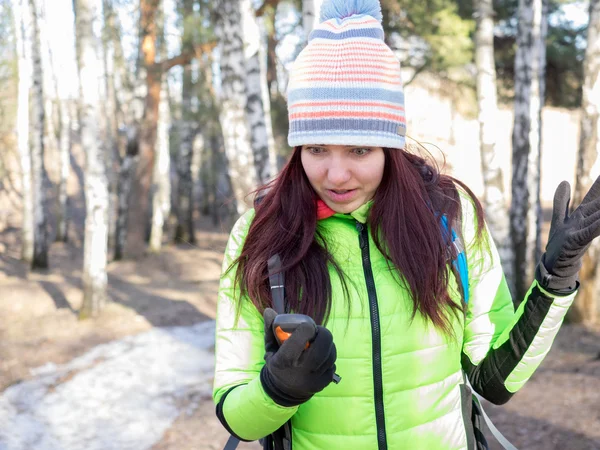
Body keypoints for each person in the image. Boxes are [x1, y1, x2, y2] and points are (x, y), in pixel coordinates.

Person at [212, 0, 600, 449]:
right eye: (317, 148)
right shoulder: (261, 234)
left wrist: (555, 281)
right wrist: (277, 390)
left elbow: (494, 379)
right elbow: (238, 415)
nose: (336, 175)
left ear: (390, 148)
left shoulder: (449, 217)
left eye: (359, 150)